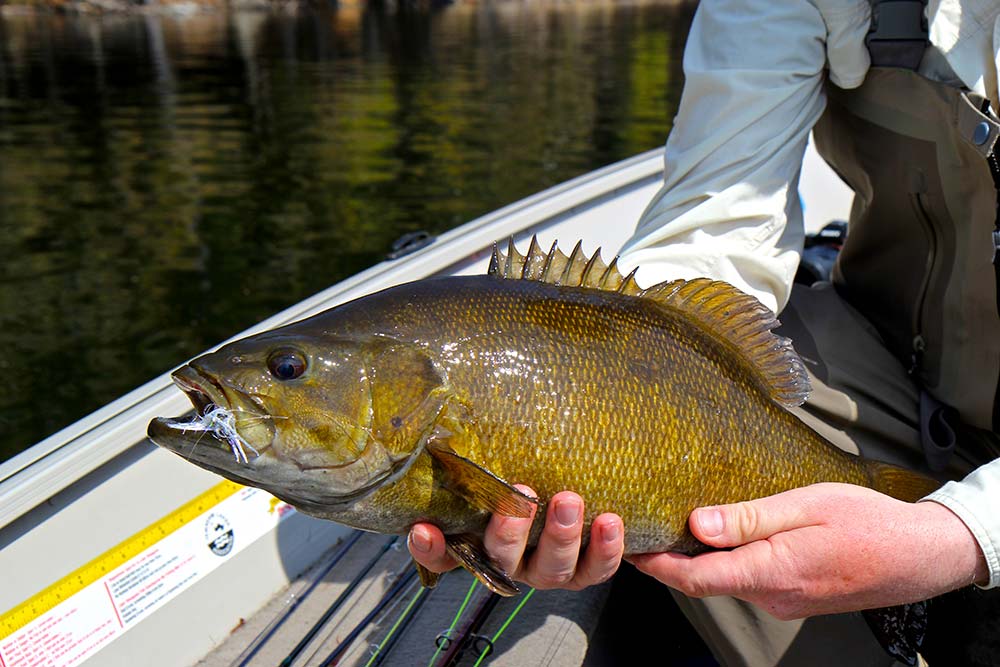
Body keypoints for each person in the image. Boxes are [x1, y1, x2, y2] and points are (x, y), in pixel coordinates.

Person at [409, 0, 1000, 664]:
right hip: (901, 364)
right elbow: (720, 221)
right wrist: (577, 406)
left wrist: (958, 532)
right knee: (674, 432)